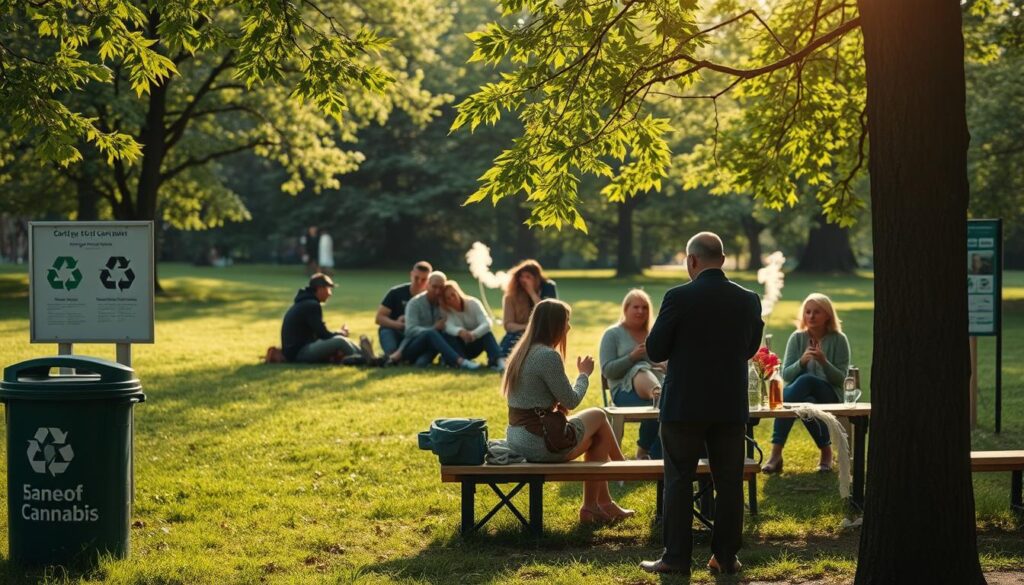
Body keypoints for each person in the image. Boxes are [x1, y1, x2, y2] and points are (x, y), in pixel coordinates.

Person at [640, 232, 763, 576]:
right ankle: (725, 557)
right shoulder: (749, 299)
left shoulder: (678, 297)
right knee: (729, 481)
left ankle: (676, 558)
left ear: (691, 260)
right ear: (722, 260)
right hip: (729, 405)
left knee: (679, 479)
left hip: (684, 405)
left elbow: (656, 349)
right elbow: (751, 348)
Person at [504, 299, 634, 523]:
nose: (569, 327)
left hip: (518, 439)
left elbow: (535, 399)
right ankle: (620, 471)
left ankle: (599, 504)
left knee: (597, 435)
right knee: (600, 416)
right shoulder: (547, 356)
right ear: (554, 324)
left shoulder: (521, 351)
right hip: (541, 444)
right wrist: (584, 374)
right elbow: (572, 400)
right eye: (566, 321)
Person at [761, 293, 851, 474]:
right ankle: (825, 453)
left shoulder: (839, 339)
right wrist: (802, 361)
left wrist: (824, 362)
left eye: (817, 312)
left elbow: (841, 379)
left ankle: (775, 454)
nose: (811, 316)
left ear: (827, 315)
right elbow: (786, 374)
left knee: (806, 381)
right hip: (801, 394)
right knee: (805, 401)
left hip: (831, 394)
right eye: (807, 312)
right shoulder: (797, 338)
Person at [600, 289, 664, 460]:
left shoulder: (653, 334)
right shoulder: (612, 334)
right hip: (623, 391)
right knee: (644, 375)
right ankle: (650, 454)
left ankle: (652, 454)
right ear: (626, 309)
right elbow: (607, 370)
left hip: (655, 383)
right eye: (635, 307)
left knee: (663, 403)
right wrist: (631, 357)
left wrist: (662, 364)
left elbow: (663, 362)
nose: (640, 311)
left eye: (644, 307)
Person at [388, 271, 481, 370]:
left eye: (440, 288)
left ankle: (455, 359)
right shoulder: (415, 303)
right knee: (431, 333)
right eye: (434, 287)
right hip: (413, 345)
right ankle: (461, 362)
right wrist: (433, 328)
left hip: (432, 347)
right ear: (427, 285)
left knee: (421, 363)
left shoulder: (444, 304)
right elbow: (410, 330)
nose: (437, 291)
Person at [280, 273, 376, 364]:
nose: (330, 294)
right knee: (340, 341)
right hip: (299, 353)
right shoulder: (311, 305)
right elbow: (323, 334)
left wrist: (340, 334)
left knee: (341, 338)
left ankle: (368, 356)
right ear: (320, 289)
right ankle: (365, 359)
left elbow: (320, 333)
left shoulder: (306, 303)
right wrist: (340, 333)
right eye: (328, 289)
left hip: (299, 350)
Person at [440, 280, 507, 371]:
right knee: (447, 335)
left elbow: (487, 322)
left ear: (458, 293)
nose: (452, 299)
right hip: (459, 347)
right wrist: (460, 332)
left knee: (487, 334)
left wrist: (474, 334)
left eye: (453, 295)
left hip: (474, 342)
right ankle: (463, 362)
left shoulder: (473, 303)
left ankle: (499, 361)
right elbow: (448, 326)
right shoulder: (446, 310)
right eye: (448, 298)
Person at [500, 259, 558, 356]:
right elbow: (508, 325)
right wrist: (528, 328)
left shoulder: (548, 287)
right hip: (519, 333)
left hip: (542, 334)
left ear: (537, 278)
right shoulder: (512, 296)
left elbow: (548, 312)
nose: (524, 280)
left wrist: (531, 292)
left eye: (528, 277)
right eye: (522, 276)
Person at [375, 261, 432, 356]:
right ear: (411, 274)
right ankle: (390, 354)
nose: (419, 282)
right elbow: (379, 318)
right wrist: (398, 325)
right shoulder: (396, 292)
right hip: (394, 331)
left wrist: (411, 324)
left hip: (416, 334)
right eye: (416, 278)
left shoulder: (429, 297)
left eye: (423, 279)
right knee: (386, 333)